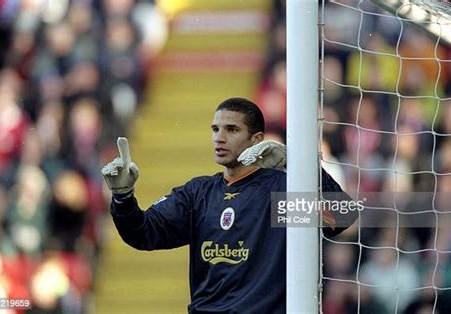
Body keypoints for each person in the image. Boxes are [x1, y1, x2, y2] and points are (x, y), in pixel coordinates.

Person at [101, 97, 355, 313]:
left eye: (231, 130)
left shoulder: (278, 191)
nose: (219, 138)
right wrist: (123, 197)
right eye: (215, 129)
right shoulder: (198, 194)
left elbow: (341, 218)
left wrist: (298, 165)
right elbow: (143, 234)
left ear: (256, 139)